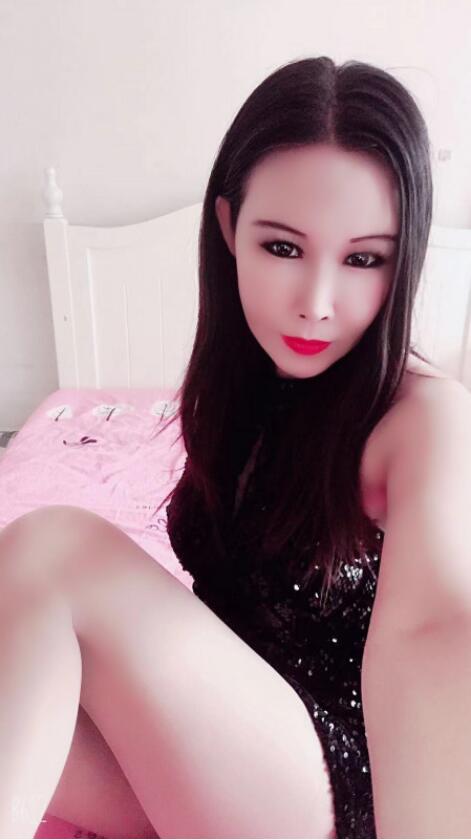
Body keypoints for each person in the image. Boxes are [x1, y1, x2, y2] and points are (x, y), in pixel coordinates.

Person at [0, 56, 454, 840]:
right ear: (227, 229)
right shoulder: (240, 389)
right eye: (282, 248)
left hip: (335, 790)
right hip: (225, 759)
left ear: (401, 260)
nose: (315, 304)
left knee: (52, 549)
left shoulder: (426, 418)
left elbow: (436, 632)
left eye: (362, 259)